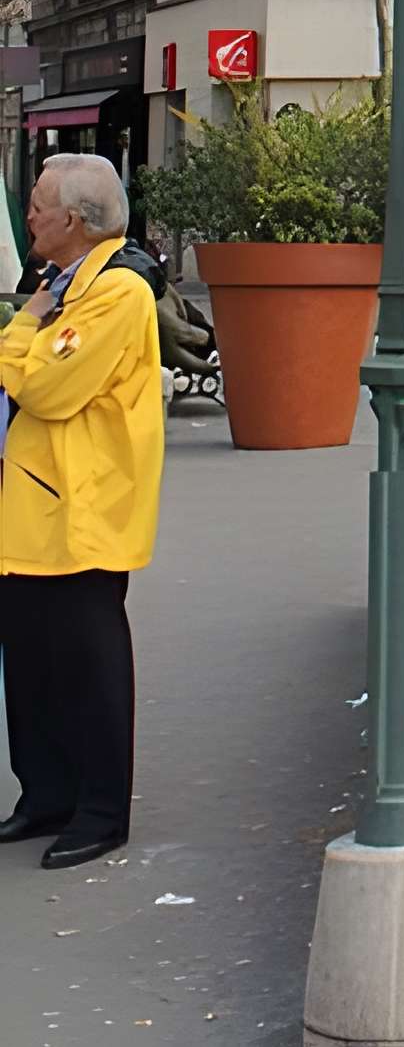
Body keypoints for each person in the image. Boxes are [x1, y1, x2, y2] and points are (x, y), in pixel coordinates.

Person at [0, 153, 163, 866]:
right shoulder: (55, 284)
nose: (28, 214)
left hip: (82, 510)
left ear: (71, 220)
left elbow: (45, 390)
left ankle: (100, 811)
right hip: (33, 508)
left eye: (36, 204)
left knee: (87, 668)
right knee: (31, 668)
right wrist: (32, 321)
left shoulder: (116, 293)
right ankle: (45, 796)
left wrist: (21, 329)